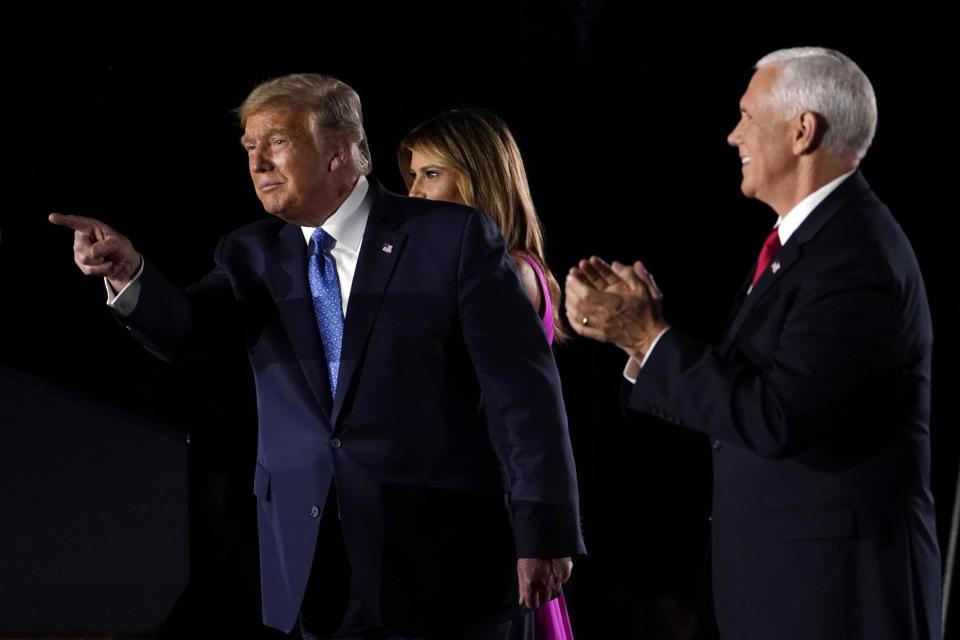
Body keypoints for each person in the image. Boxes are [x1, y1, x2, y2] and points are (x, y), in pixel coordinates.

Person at [50, 73, 584, 640]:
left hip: (443, 561)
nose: (258, 164)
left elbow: (523, 396)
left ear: (338, 153)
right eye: (249, 148)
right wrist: (130, 274)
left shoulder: (449, 238)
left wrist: (545, 531)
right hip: (314, 565)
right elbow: (186, 332)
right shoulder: (251, 254)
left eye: (276, 142)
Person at [564, 47, 941, 640]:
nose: (733, 133)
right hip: (786, 589)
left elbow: (775, 415)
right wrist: (638, 344)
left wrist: (648, 334)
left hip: (834, 600)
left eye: (747, 114)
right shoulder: (805, 245)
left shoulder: (855, 258)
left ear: (802, 130)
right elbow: (746, 393)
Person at [399, 109, 573, 640]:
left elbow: (527, 410)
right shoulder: (507, 269)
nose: (415, 193)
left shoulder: (512, 272)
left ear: (480, 177)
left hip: (492, 519)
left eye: (432, 174)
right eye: (411, 176)